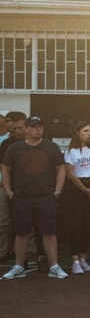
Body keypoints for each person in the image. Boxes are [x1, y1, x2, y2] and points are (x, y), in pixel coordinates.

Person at [1, 116, 68, 279]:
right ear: (26, 129)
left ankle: (54, 266)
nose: (39, 129)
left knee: (49, 232)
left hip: (45, 197)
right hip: (22, 197)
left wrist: (57, 191)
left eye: (40, 126)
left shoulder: (51, 147)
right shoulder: (14, 148)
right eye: (34, 126)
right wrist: (9, 191)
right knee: (21, 233)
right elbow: (6, 169)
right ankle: (18, 266)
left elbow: (61, 168)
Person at [61, 121, 90, 274]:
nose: (89, 133)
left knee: (86, 224)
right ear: (77, 133)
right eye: (85, 131)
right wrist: (84, 189)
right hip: (76, 189)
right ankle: (75, 259)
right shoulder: (71, 150)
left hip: (89, 187)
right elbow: (70, 173)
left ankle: (83, 257)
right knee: (75, 224)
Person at [0, 111, 27, 263]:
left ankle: (29, 252)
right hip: (7, 186)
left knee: (27, 222)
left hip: (26, 188)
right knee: (4, 220)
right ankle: (3, 251)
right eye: (14, 128)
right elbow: (3, 167)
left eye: (20, 128)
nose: (17, 131)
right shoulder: (6, 144)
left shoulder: (33, 142)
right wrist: (6, 186)